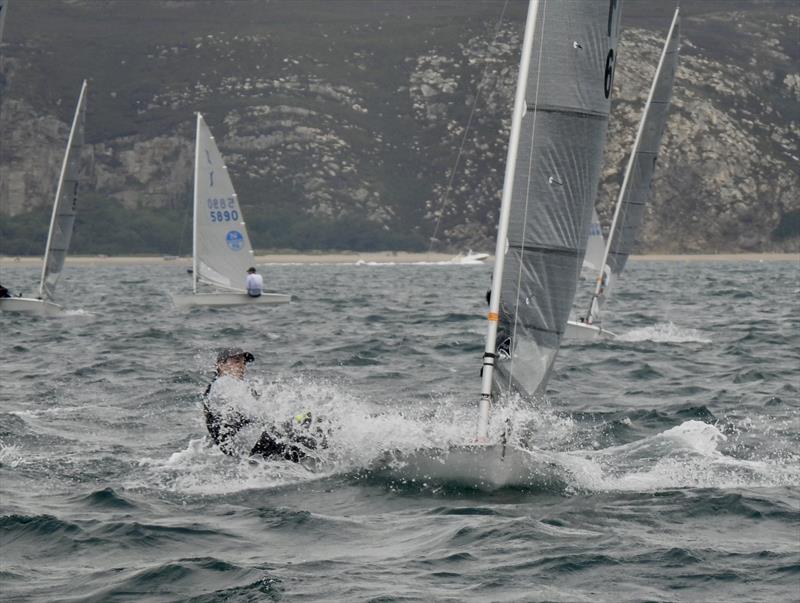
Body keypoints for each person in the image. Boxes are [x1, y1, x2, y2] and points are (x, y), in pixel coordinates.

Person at [202, 348, 325, 462]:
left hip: (245, 446)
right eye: (236, 361)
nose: (241, 366)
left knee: (305, 423)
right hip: (250, 444)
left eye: (244, 363)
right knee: (310, 423)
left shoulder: (226, 386)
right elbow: (254, 412)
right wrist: (282, 418)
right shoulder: (223, 383)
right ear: (220, 365)